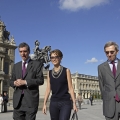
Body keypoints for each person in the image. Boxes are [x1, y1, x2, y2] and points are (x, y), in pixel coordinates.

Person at [9, 42, 44, 120]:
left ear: (28, 52)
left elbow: (40, 80)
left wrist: (25, 82)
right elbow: (11, 81)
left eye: (24, 51)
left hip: (30, 101)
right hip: (18, 102)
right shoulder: (16, 66)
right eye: (20, 51)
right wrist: (14, 83)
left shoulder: (37, 64)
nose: (23, 54)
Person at [42, 49, 78, 120]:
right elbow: (48, 89)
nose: (54, 59)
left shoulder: (66, 71)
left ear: (60, 58)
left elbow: (70, 88)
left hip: (65, 102)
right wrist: (44, 104)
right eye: (52, 57)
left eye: (56, 57)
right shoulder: (49, 73)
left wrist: (74, 103)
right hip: (53, 103)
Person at [98, 41, 120, 120]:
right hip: (109, 104)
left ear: (117, 51)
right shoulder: (101, 67)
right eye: (107, 52)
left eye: (112, 52)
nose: (109, 54)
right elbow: (102, 85)